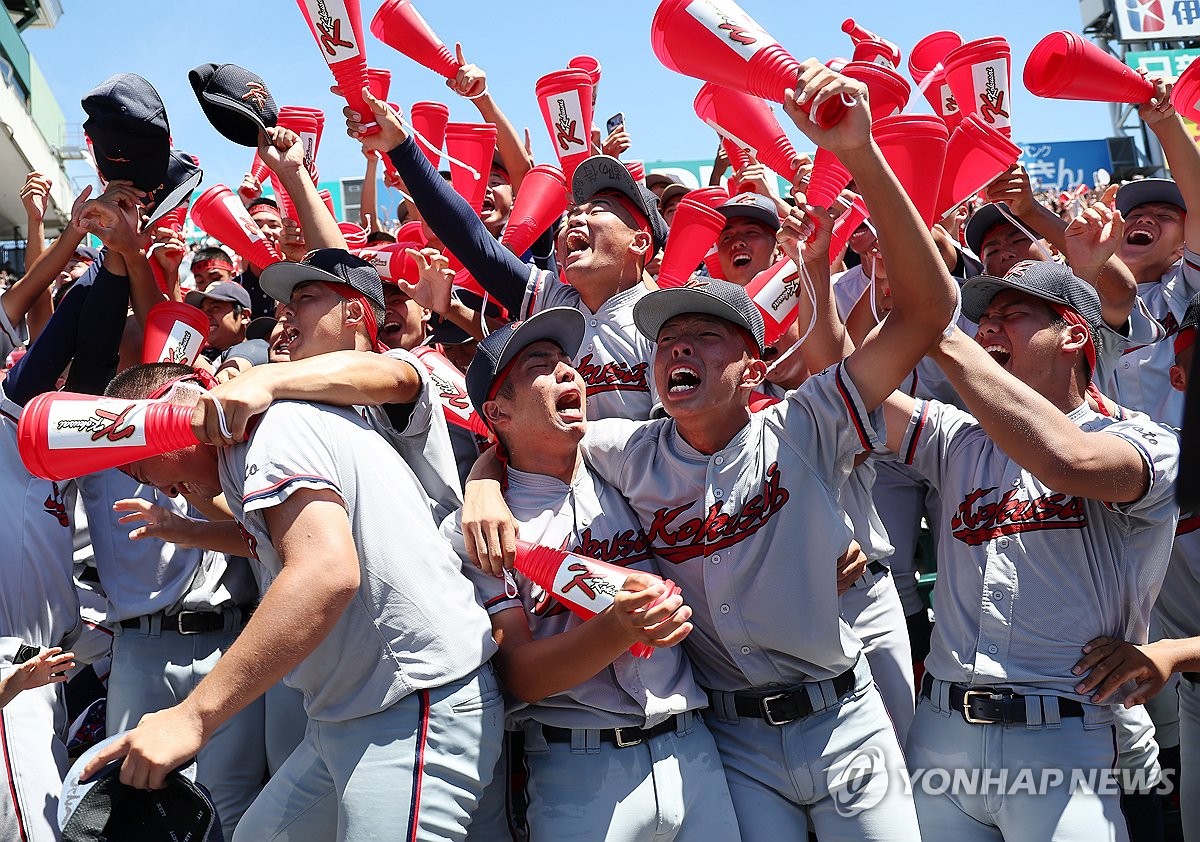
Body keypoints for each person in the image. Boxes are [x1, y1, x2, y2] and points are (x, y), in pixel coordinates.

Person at [465, 62, 959, 838]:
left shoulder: (806, 420)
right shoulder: (624, 448)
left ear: (755, 368)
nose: (679, 348)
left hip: (844, 720)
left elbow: (928, 310)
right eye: (667, 339)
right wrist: (482, 487)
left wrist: (862, 157)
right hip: (729, 744)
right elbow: (530, 434)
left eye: (706, 336)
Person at [87, 260, 504, 840]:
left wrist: (194, 715)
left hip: (414, 699)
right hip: (354, 709)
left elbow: (325, 573)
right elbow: (284, 543)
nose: (146, 482)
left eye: (137, 461)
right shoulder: (265, 427)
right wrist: (187, 529)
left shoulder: (282, 417)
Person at [882, 260, 1179, 840]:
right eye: (981, 319)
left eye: (1010, 315)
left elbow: (1065, 462)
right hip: (945, 732)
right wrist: (816, 269)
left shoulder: (1144, 440)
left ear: (1073, 333)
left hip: (1073, 729)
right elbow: (842, 375)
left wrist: (938, 332)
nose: (986, 329)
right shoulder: (958, 436)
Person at [448, 307, 739, 841]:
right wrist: (621, 628)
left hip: (692, 749)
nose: (568, 372)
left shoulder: (620, 457)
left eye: (568, 361)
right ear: (499, 411)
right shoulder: (477, 531)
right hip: (579, 771)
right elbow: (520, 676)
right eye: (542, 364)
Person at [352, 87, 670, 422]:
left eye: (598, 210)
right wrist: (402, 148)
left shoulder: (662, 326)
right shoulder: (552, 299)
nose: (576, 216)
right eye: (576, 210)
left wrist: (589, 448)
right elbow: (471, 239)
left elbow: (676, 444)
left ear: (639, 242)